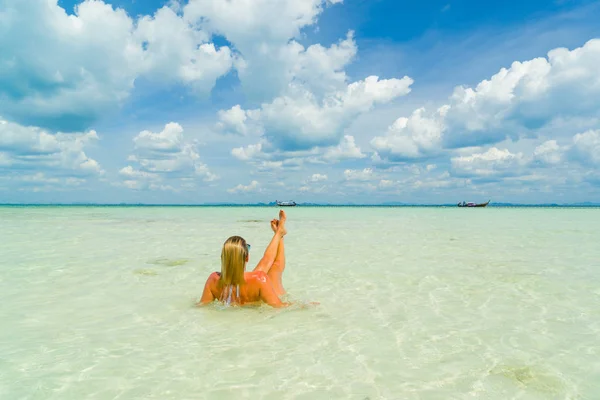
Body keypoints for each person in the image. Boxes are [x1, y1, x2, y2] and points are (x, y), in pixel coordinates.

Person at [197, 210, 290, 308]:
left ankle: (279, 233)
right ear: (247, 258)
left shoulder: (213, 280)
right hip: (255, 300)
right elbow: (280, 307)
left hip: (240, 292)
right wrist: (302, 305)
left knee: (268, 266)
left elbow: (202, 306)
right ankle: (280, 234)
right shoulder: (260, 279)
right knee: (276, 267)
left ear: (222, 258)